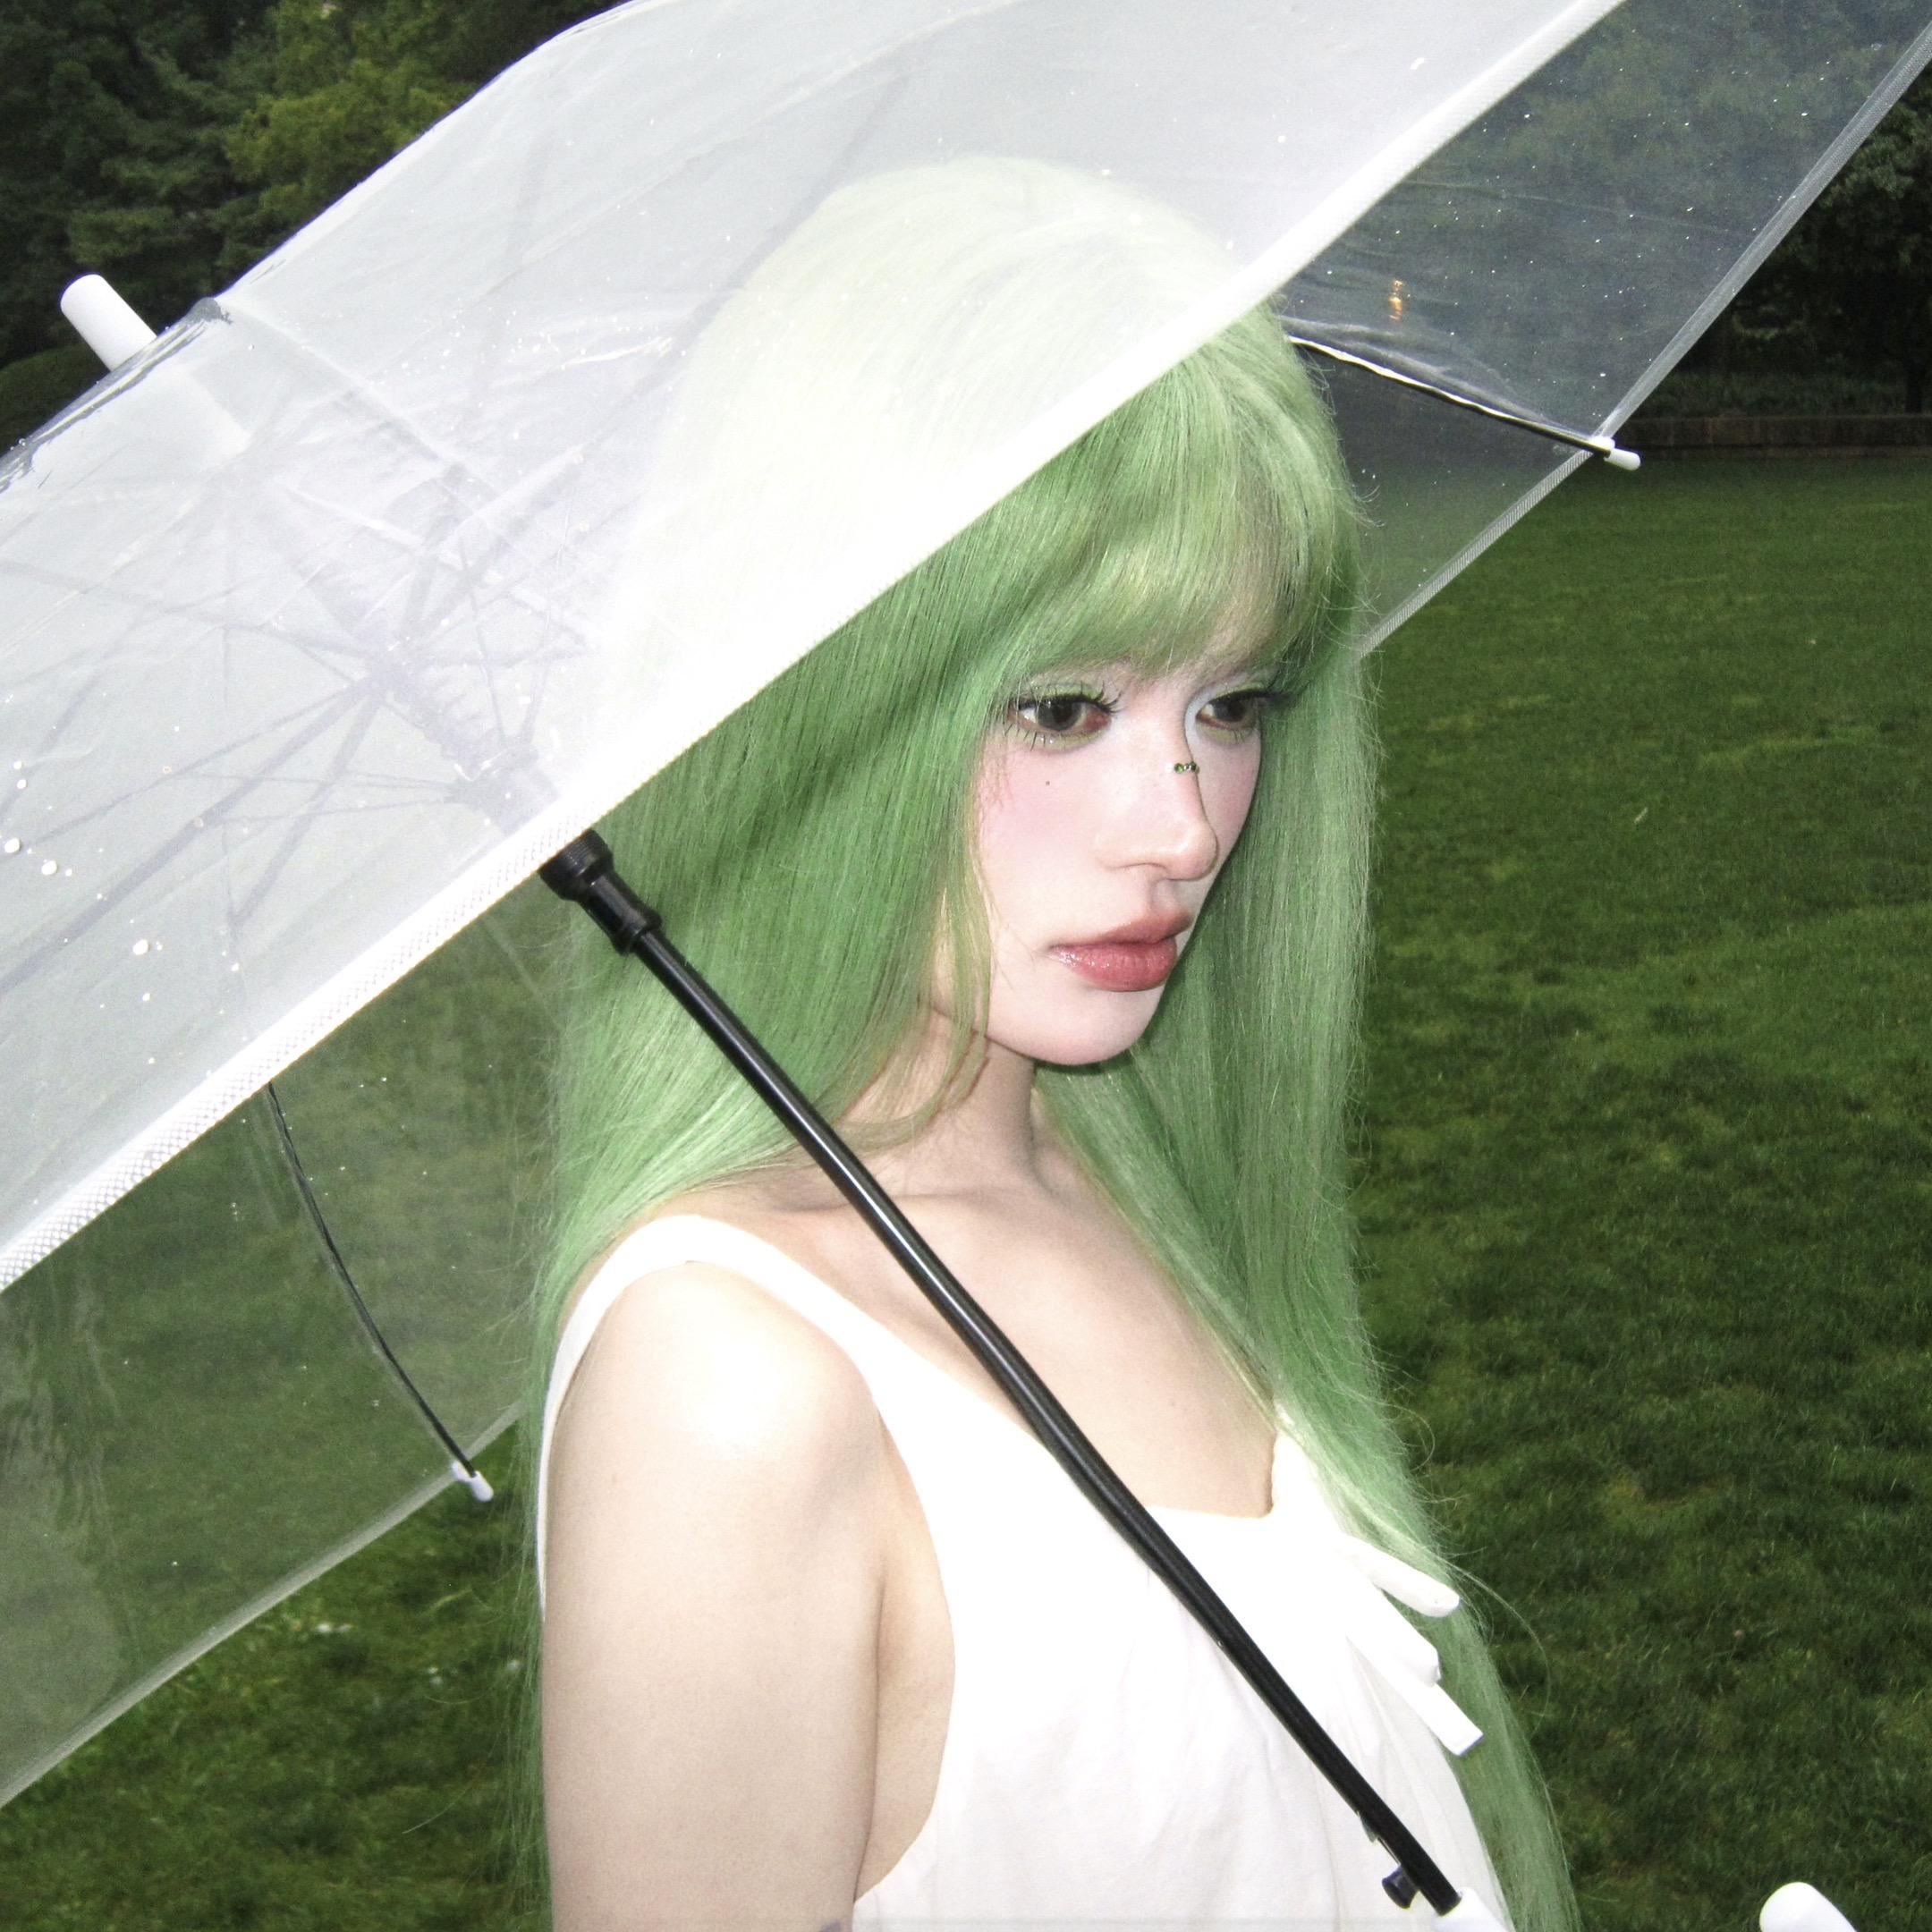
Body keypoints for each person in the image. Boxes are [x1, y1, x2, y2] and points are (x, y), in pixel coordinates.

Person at [530, 160, 1574, 1930]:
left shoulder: (1123, 1176)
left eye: (1231, 704)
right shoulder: (732, 1391)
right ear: (813, 690)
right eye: (1065, 706)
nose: (1182, 823)